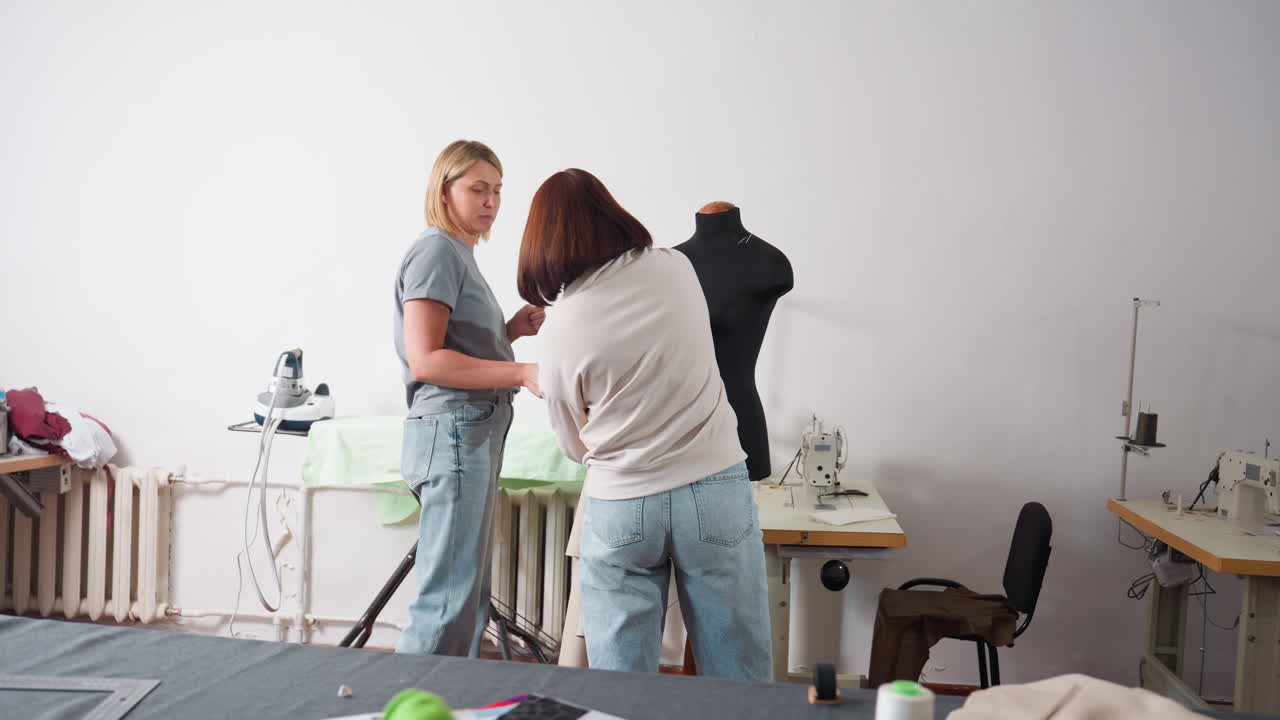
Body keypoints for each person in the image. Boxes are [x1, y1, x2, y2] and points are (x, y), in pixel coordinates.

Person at [517, 169, 771, 680]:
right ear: (611, 214)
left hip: (621, 503)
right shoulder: (674, 266)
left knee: (622, 686)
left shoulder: (563, 321)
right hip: (713, 485)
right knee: (740, 678)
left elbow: (572, 443)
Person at [393, 139, 544, 657]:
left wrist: (510, 332)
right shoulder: (436, 249)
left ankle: (449, 704)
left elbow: (456, 347)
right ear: (444, 189)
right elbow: (428, 360)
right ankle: (409, 709)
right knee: (448, 600)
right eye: (478, 188)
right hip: (455, 432)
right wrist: (522, 369)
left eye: (498, 190)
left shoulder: (459, 254)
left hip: (470, 432)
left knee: (466, 598)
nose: (491, 201)